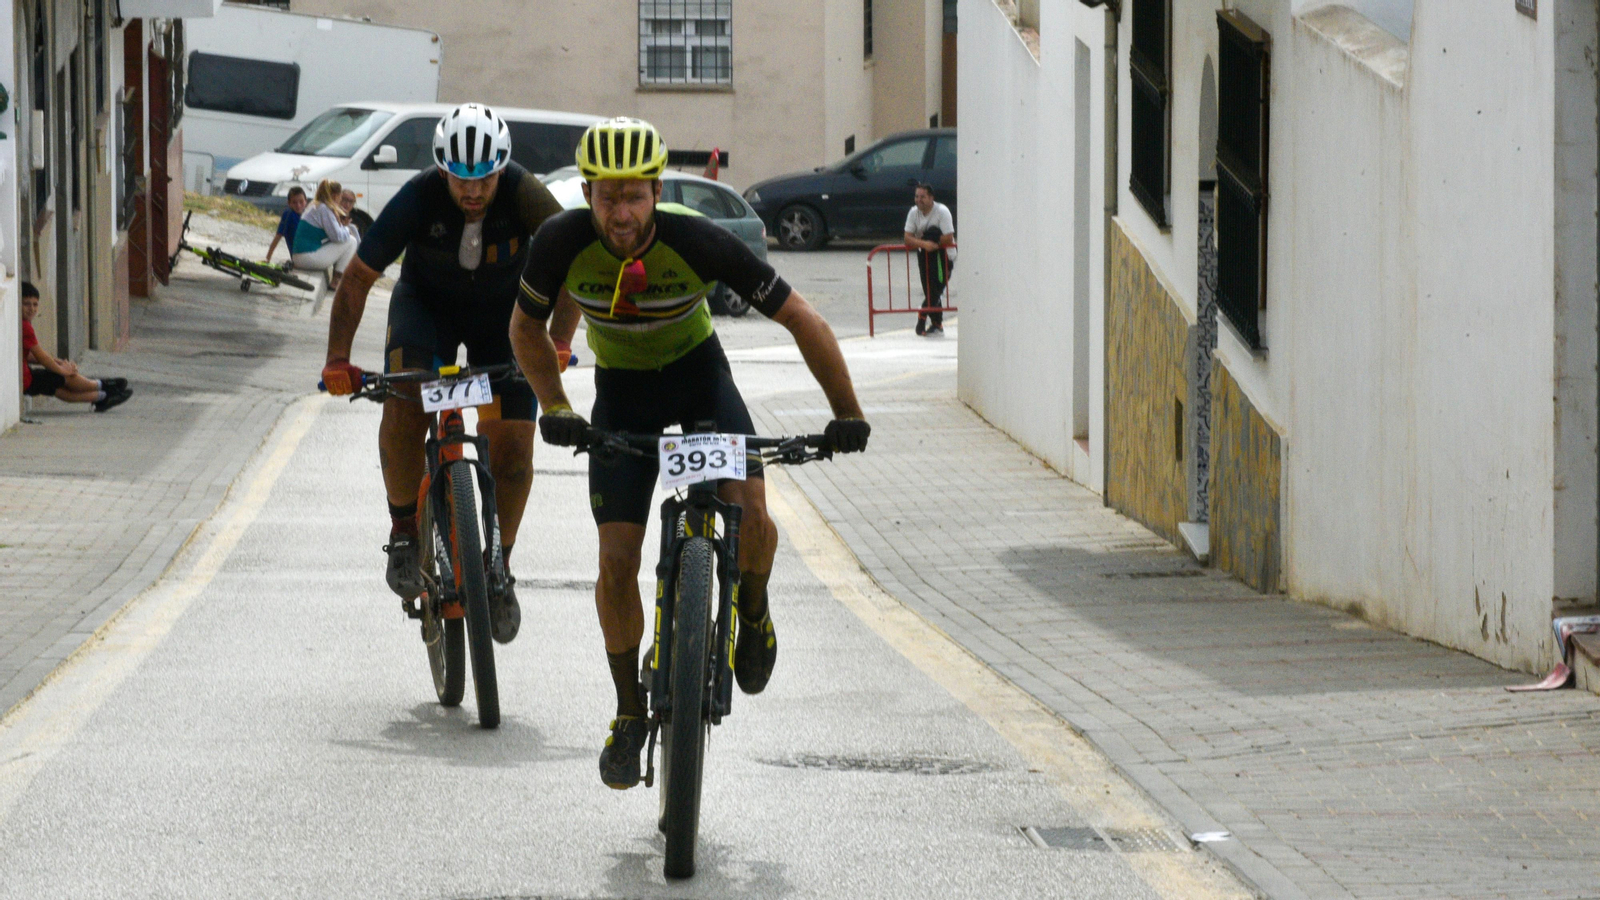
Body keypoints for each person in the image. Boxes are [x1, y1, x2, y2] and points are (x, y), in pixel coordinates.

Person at [509, 117, 871, 790]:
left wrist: (846, 414)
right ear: (588, 193)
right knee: (616, 562)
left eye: (635, 197)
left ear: (655, 192)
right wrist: (555, 406)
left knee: (754, 516)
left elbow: (804, 319)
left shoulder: (698, 239)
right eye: (608, 197)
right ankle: (626, 712)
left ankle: (753, 611)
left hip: (700, 378)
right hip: (621, 395)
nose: (621, 213)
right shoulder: (559, 241)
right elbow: (525, 329)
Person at [320, 102, 575, 645]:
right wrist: (338, 360)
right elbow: (360, 278)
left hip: (503, 321)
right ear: (442, 171)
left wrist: (557, 341)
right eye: (461, 179)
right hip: (425, 312)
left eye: (484, 178)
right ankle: (405, 532)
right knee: (405, 402)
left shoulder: (525, 194)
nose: (474, 191)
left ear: (501, 169)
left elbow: (573, 268)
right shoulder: (417, 198)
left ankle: (499, 568)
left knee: (514, 453)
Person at [19, 282, 130, 412]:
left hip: (24, 376)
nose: (31, 308)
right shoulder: (25, 327)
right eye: (26, 304)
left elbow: (29, 355)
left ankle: (103, 395)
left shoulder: (22, 323)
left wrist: (58, 362)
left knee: (59, 390)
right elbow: (41, 356)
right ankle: (102, 386)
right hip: (25, 379)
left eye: (35, 304)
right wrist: (62, 370)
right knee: (63, 380)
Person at [903, 183, 956, 336]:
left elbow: (948, 237)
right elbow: (907, 238)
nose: (919, 200)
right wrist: (924, 243)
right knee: (929, 290)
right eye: (916, 196)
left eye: (923, 197)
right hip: (924, 255)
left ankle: (922, 316)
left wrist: (934, 241)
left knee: (936, 290)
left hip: (943, 257)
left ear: (931, 198)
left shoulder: (942, 211)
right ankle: (937, 324)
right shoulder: (913, 213)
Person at [291, 180, 360, 291]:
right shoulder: (324, 209)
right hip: (307, 257)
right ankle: (336, 281)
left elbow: (333, 234)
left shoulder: (315, 205)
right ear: (334, 195)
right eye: (340, 196)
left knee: (347, 239)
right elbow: (337, 236)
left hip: (299, 256)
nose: (340, 200)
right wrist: (347, 229)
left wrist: (342, 227)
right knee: (351, 241)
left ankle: (337, 279)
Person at [265, 186, 308, 263]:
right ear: (289, 203)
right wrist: (268, 258)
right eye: (294, 202)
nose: (298, 205)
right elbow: (278, 236)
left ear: (306, 201)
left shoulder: (307, 215)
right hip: (301, 256)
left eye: (301, 202)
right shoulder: (289, 214)